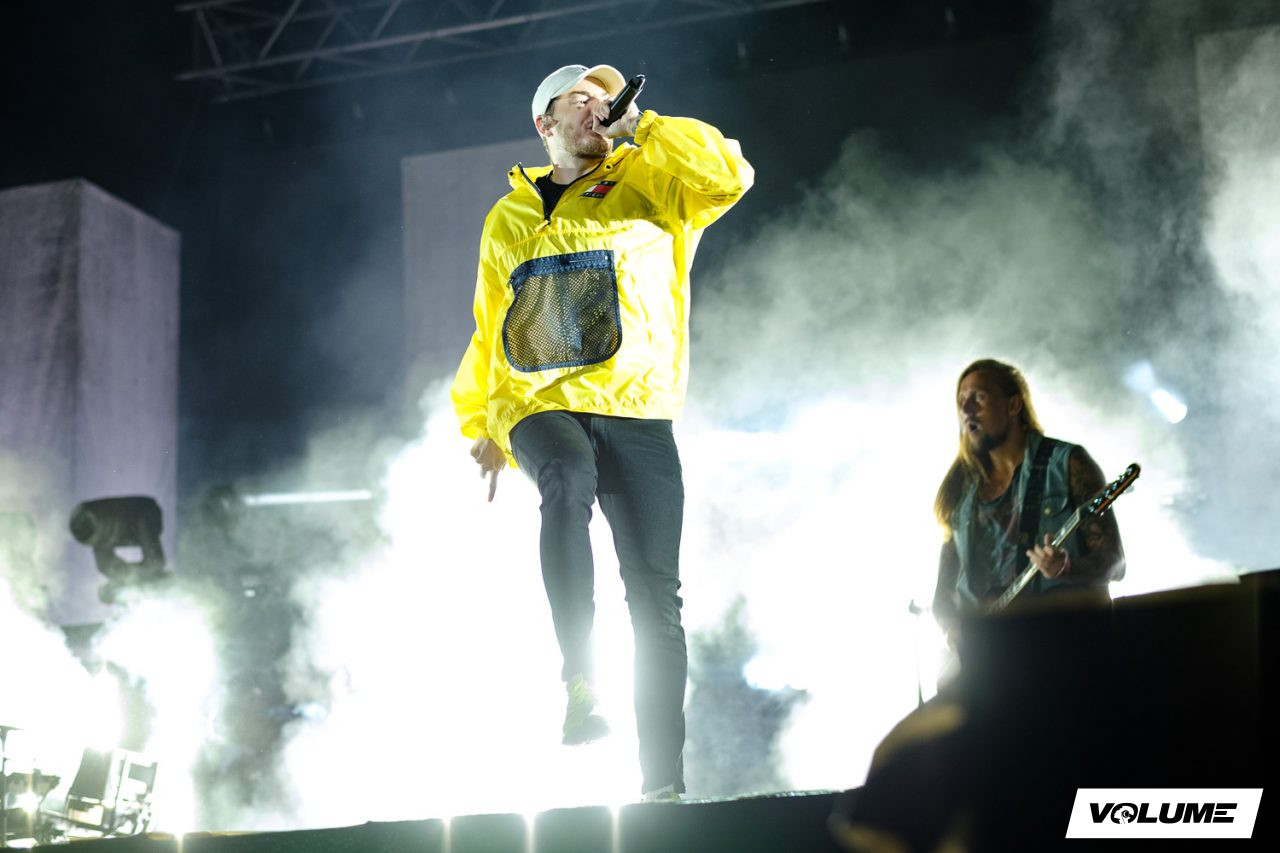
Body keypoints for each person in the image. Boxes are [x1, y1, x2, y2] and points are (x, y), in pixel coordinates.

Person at [450, 63, 753, 801]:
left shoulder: (653, 179)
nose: (599, 108)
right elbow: (490, 324)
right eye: (580, 100)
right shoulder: (508, 217)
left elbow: (730, 175)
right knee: (566, 482)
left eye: (606, 99)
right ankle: (579, 678)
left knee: (655, 597)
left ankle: (663, 786)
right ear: (545, 123)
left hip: (637, 406)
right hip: (541, 402)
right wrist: (483, 420)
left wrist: (644, 128)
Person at [932, 358, 1126, 636]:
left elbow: (1114, 563)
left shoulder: (1068, 463)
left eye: (978, 398)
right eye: (961, 401)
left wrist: (1066, 567)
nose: (966, 409)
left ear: (1013, 405)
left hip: (1066, 639)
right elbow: (943, 598)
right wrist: (955, 635)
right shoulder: (960, 489)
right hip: (992, 650)